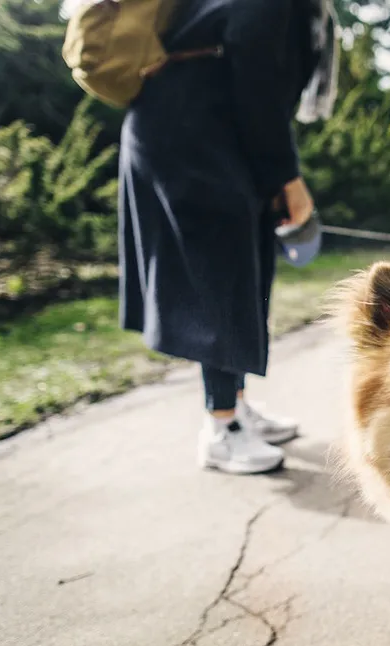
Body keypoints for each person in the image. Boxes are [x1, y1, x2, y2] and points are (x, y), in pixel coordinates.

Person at [118, 0, 337, 475]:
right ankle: (222, 428)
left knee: (247, 264)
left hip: (210, 135)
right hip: (187, 138)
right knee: (221, 277)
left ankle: (234, 405)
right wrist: (288, 179)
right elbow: (257, 83)